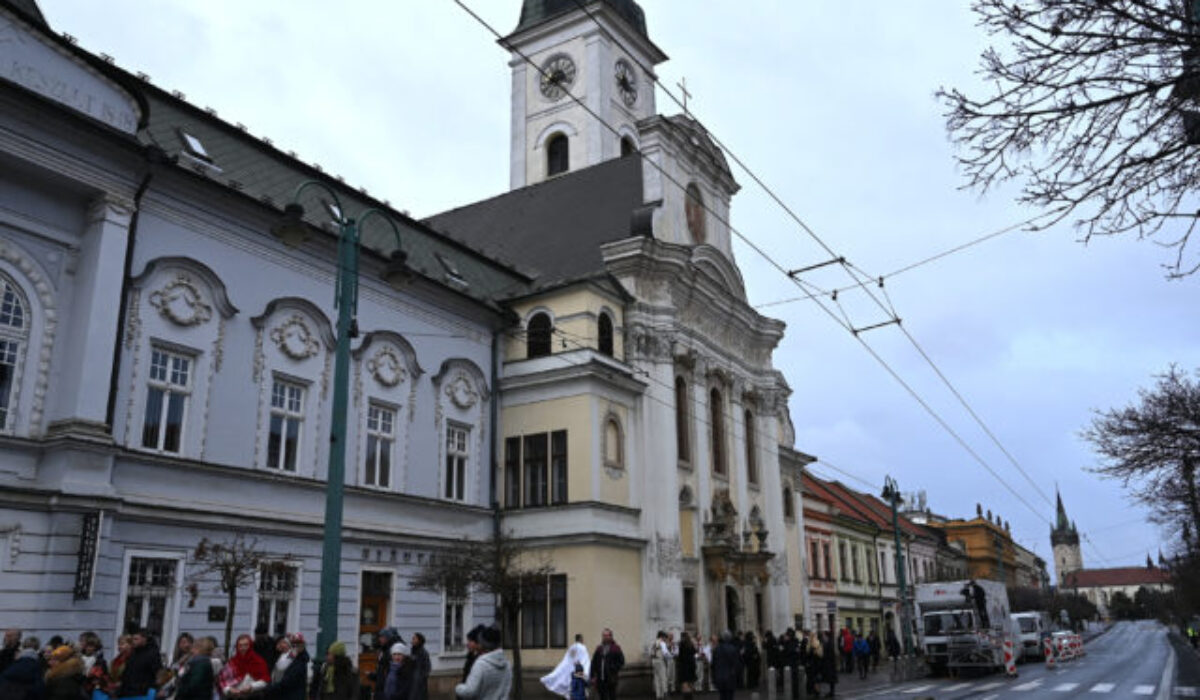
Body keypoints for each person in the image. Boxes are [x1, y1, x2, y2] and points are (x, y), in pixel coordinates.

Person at [455, 626, 510, 700]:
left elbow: (469, 692)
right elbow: (506, 689)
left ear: (483, 644)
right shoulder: (507, 664)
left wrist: (458, 688)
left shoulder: (481, 664)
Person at [541, 633, 590, 698]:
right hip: (579, 672)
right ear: (580, 639)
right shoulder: (583, 647)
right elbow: (585, 660)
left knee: (572, 688)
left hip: (572, 671)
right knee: (579, 690)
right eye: (582, 639)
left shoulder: (572, 648)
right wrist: (586, 672)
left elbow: (567, 660)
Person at [117, 629, 162, 699]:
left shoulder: (152, 653)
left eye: (136, 639)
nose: (133, 642)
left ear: (144, 639)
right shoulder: (134, 653)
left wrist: (157, 688)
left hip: (142, 693)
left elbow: (158, 672)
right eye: (133, 639)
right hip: (127, 692)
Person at [264, 633, 308, 700]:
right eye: (293, 644)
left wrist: (270, 688)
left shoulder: (297, 659)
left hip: (291, 695)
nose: (282, 645)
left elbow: (288, 680)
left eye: (284, 643)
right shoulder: (283, 656)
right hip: (281, 693)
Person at [0, 635, 43, 700]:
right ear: (37, 648)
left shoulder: (12, 666)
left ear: (23, 647)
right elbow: (39, 691)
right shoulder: (36, 668)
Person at [589, 628, 624, 700]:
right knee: (602, 697)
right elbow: (594, 663)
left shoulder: (616, 648)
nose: (605, 637)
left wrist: (613, 668)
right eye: (603, 635)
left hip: (611, 678)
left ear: (611, 636)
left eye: (607, 635)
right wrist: (592, 675)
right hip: (601, 679)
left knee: (612, 696)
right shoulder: (599, 649)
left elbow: (621, 661)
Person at [370, 628, 402, 700]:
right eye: (380, 637)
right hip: (381, 685)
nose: (380, 639)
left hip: (385, 687)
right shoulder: (384, 649)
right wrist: (374, 676)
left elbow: (388, 671)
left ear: (387, 638)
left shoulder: (390, 652)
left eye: (382, 637)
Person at [710, 632, 741, 700]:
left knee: (722, 696)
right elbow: (737, 664)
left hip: (720, 677)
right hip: (730, 677)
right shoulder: (733, 649)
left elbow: (713, 665)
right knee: (729, 696)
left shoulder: (717, 649)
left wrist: (714, 677)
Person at [650, 630, 674, 700]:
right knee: (663, 677)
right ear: (662, 636)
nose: (665, 638)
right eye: (665, 637)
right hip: (660, 660)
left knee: (657, 678)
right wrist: (671, 656)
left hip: (654, 661)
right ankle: (665, 693)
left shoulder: (654, 643)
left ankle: (658, 695)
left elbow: (651, 653)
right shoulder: (662, 643)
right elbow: (665, 653)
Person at [675, 632, 697, 700]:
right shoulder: (691, 645)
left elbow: (680, 656)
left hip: (684, 667)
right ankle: (690, 697)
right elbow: (695, 651)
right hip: (691, 666)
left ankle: (687, 698)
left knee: (685, 685)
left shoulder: (681, 644)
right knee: (690, 683)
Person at [409, 633, 430, 700]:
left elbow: (427, 667)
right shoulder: (413, 651)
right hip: (412, 681)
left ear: (419, 640)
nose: (412, 640)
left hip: (419, 683)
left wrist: (420, 678)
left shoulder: (423, 653)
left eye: (414, 638)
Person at [819, 631, 838, 699]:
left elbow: (830, 654)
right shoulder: (827, 643)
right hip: (829, 663)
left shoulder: (829, 643)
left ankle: (832, 692)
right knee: (830, 678)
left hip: (830, 664)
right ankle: (831, 692)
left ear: (827, 636)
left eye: (824, 636)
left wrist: (823, 656)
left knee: (831, 678)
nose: (823, 637)